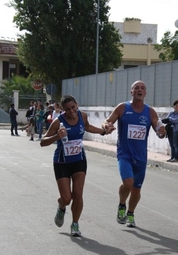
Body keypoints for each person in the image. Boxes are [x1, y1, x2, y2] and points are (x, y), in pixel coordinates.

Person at [40, 95, 114, 236]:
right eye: (67, 109)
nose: (71, 111)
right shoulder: (58, 122)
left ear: (77, 105)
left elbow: (87, 127)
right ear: (62, 110)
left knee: (78, 194)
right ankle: (61, 206)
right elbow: (43, 142)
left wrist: (103, 131)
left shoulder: (83, 116)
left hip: (79, 160)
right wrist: (57, 137)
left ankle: (75, 224)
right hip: (62, 162)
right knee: (67, 198)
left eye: (73, 107)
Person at [101, 80, 166, 228]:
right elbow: (107, 121)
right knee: (128, 182)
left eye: (142, 88)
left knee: (136, 189)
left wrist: (162, 132)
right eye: (136, 88)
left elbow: (159, 130)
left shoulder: (150, 112)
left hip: (141, 157)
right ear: (131, 92)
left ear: (145, 93)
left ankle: (130, 213)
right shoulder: (123, 107)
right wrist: (106, 125)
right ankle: (122, 204)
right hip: (124, 154)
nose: (139, 90)